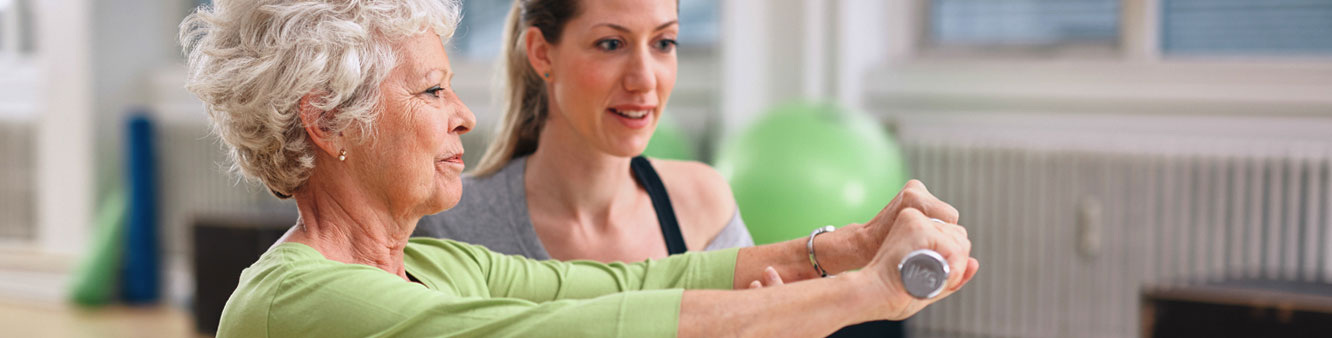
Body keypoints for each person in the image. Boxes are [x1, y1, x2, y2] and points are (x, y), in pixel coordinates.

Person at [180, 0, 979, 337]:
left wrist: (832, 252)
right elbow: (575, 330)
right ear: (326, 121)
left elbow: (633, 286)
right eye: (430, 90)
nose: (463, 114)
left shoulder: (427, 263)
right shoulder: (304, 302)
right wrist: (871, 293)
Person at [415, 0, 753, 263]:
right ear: (542, 53)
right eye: (611, 44)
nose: (645, 79)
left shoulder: (704, 208)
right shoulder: (446, 225)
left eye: (663, 43)